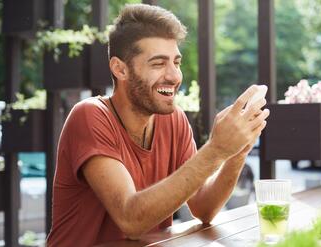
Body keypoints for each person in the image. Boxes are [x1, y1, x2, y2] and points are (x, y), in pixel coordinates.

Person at [46, 3, 269, 246]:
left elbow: (204, 209)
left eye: (176, 62)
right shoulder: (90, 116)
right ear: (120, 69)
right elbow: (130, 219)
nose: (174, 76)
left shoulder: (173, 120)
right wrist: (216, 149)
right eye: (158, 63)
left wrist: (237, 150)